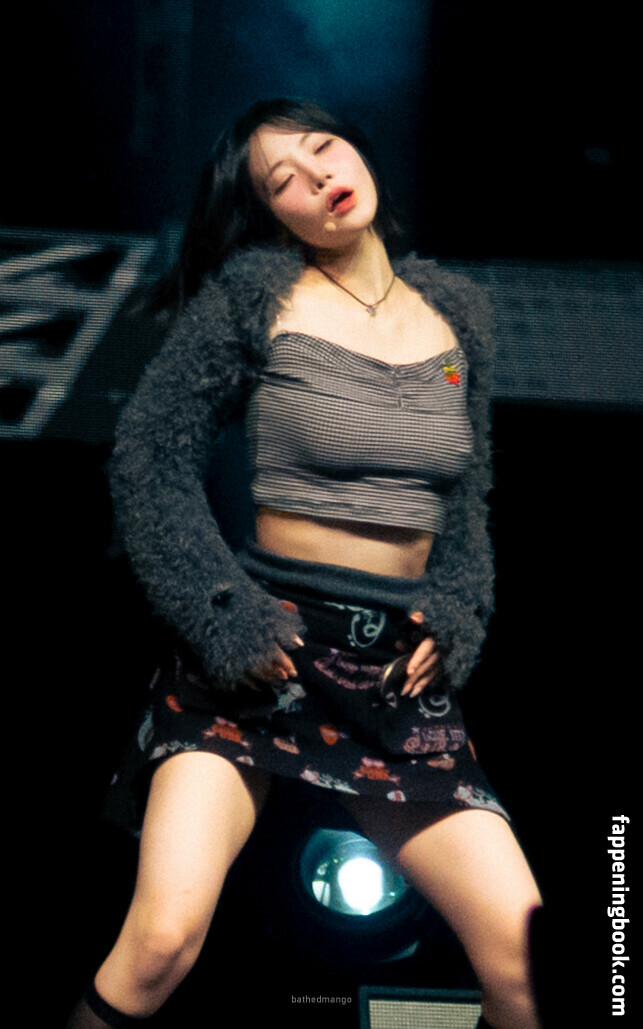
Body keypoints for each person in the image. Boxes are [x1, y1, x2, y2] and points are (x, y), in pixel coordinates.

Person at [67, 98, 543, 1029]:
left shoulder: (458, 317)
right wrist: (223, 611)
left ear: (355, 149)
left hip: (394, 679)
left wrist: (459, 606)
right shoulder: (253, 301)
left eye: (322, 147)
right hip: (257, 661)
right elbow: (148, 454)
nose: (316, 174)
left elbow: (467, 494)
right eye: (282, 178)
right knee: (160, 942)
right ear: (271, 214)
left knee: (526, 974)